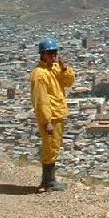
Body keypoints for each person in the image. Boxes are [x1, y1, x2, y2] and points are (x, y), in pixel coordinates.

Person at [30, 38, 76, 192]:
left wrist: (65, 68)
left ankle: (49, 180)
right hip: (51, 117)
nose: (53, 55)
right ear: (42, 54)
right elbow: (41, 100)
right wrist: (46, 121)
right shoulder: (39, 74)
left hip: (58, 113)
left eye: (55, 52)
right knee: (50, 147)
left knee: (54, 146)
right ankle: (49, 182)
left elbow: (69, 82)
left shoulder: (55, 68)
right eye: (49, 53)